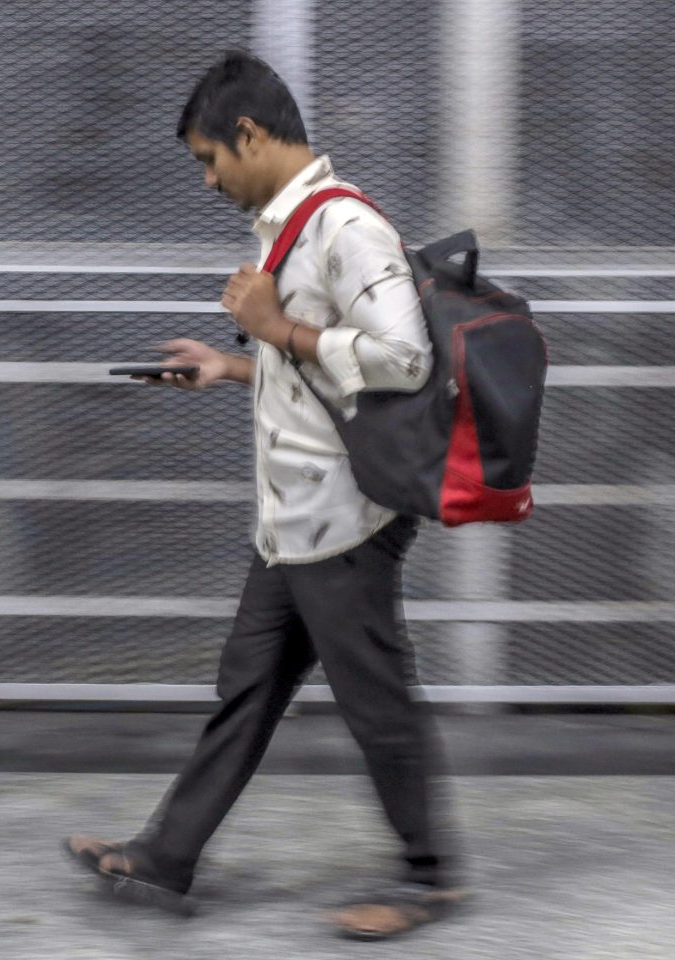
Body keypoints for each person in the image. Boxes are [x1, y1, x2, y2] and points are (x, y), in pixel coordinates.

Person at [65, 51, 465, 939]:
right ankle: (168, 857)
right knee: (248, 685)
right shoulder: (290, 231)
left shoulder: (343, 227)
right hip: (296, 516)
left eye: (211, 159)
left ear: (250, 133)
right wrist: (232, 365)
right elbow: (317, 375)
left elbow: (406, 359)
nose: (209, 180)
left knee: (377, 700)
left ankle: (431, 876)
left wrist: (274, 325)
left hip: (346, 516)